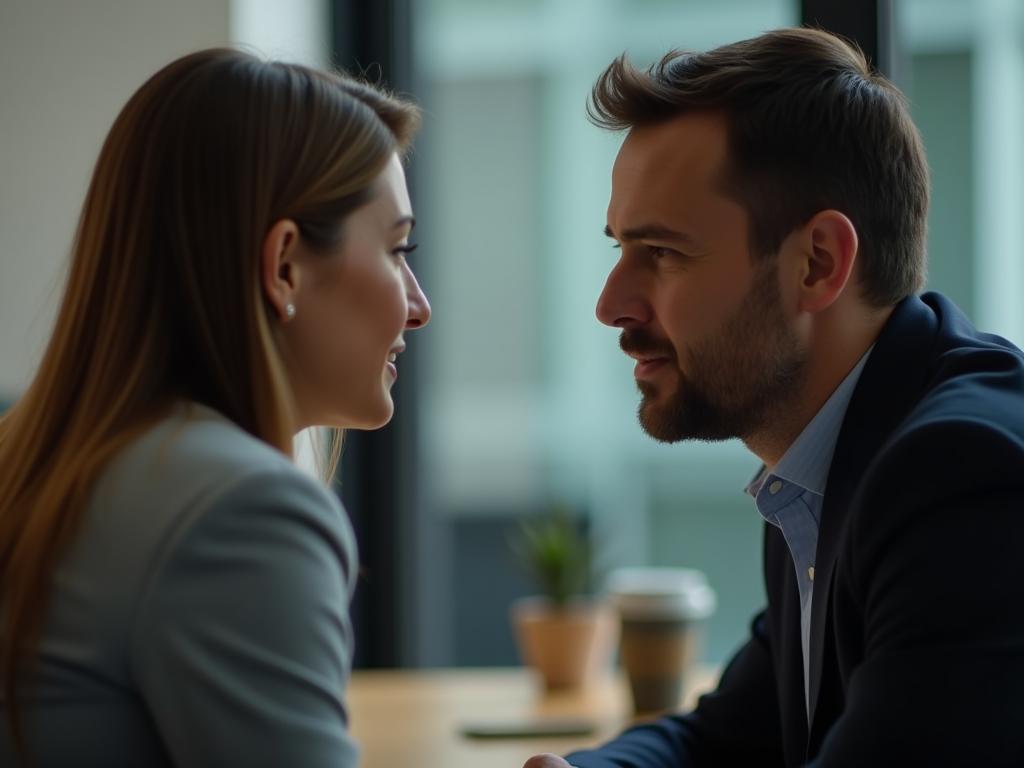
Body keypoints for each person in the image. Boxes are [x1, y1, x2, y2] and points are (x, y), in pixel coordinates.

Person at [526, 26, 1024, 768]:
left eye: (662, 253)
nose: (611, 305)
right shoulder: (822, 461)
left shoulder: (960, 479)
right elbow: (726, 739)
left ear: (817, 263)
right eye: (619, 248)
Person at [0, 48, 429, 766]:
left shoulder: (33, 463)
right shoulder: (240, 511)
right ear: (284, 266)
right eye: (396, 249)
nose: (418, 305)